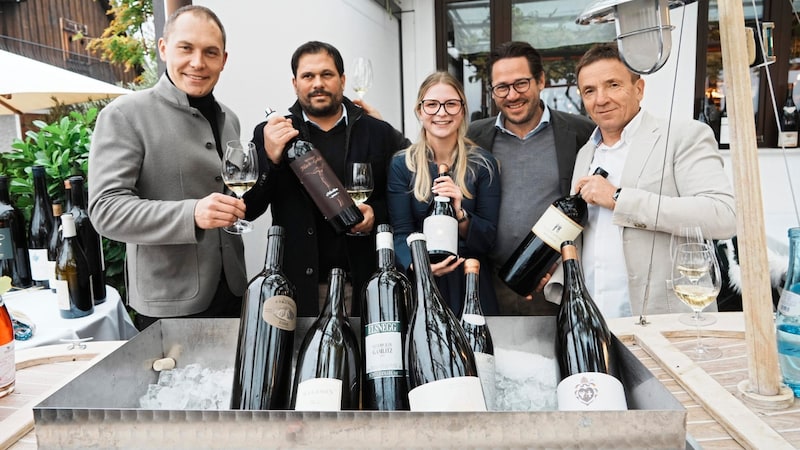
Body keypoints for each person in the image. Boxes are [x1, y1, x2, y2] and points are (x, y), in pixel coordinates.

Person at [88, 6, 252, 330]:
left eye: (210, 52)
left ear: (224, 60)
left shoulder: (230, 118)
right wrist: (192, 214)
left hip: (233, 290)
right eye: (186, 48)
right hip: (169, 303)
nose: (198, 62)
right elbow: (105, 210)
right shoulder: (124, 114)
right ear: (164, 49)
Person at [544, 43, 737, 318]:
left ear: (639, 89)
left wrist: (618, 199)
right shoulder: (586, 153)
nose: (601, 99)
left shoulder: (683, 136)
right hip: (593, 318)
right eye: (590, 91)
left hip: (663, 317)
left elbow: (723, 215)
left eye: (613, 85)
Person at [247, 41, 410, 317]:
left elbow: (402, 200)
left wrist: (376, 214)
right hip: (299, 289)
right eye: (308, 76)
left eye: (327, 74)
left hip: (364, 286)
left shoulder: (378, 132)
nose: (317, 83)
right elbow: (249, 208)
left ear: (342, 80)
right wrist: (271, 159)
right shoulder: (271, 132)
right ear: (295, 83)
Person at [466, 41, 596, 315]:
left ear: (540, 81)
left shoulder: (580, 133)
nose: (511, 95)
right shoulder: (475, 136)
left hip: (555, 283)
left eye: (521, 83)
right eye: (501, 87)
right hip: (490, 282)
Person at [388, 71, 501, 315]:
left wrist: (460, 214)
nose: (442, 113)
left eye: (451, 104)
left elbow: (489, 238)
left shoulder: (484, 164)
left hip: (471, 281)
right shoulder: (402, 165)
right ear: (420, 111)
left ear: (462, 111)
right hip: (422, 283)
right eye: (432, 105)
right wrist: (419, 266)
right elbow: (401, 233)